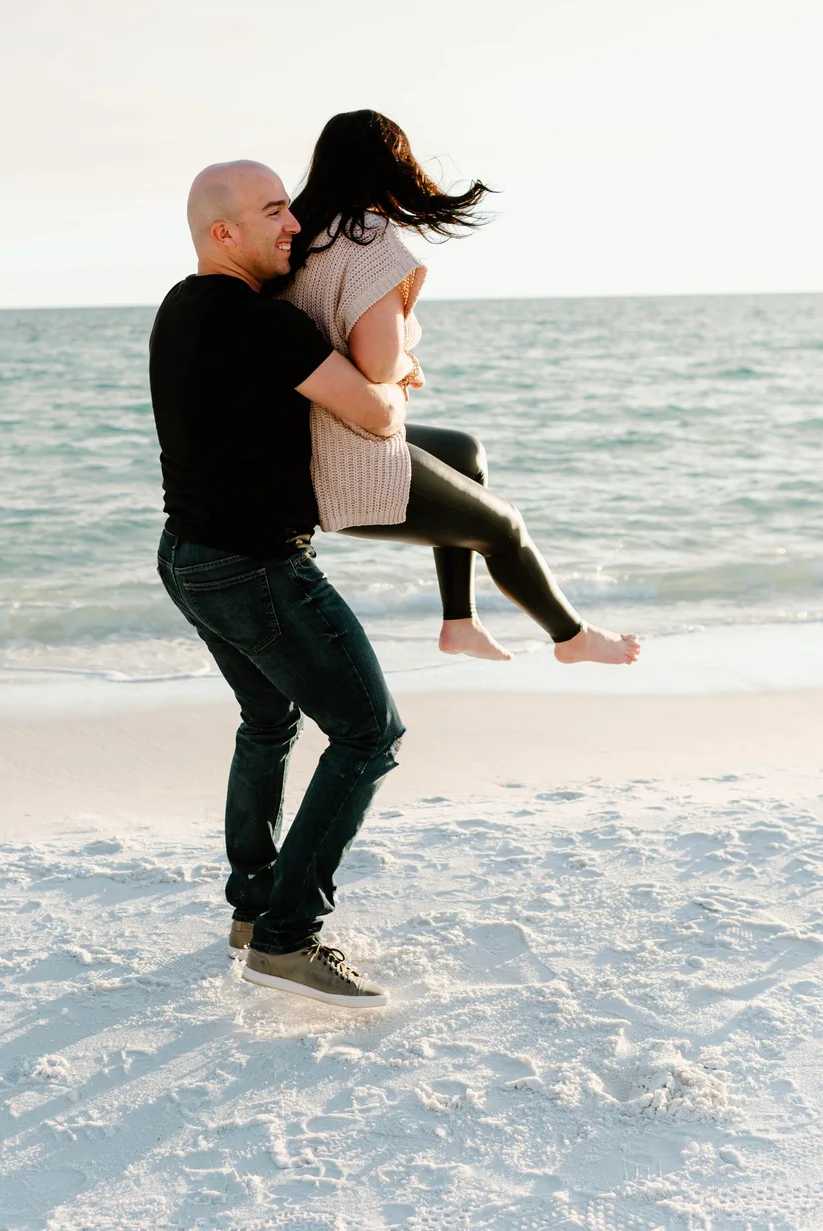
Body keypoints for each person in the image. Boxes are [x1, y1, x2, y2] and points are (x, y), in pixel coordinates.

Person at [150, 158, 410, 1008]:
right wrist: (398, 381)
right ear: (224, 233)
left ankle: (252, 907)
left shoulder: (179, 311)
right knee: (369, 735)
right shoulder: (262, 323)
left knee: (268, 719)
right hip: (253, 564)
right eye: (275, 214)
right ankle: (288, 938)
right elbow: (370, 413)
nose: (293, 225)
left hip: (186, 557)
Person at [278, 110, 641, 667]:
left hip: (302, 442)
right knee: (504, 525)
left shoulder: (301, 235)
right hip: (344, 458)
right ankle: (571, 637)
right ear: (392, 167)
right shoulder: (366, 235)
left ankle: (459, 621)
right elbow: (378, 364)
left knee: (465, 452)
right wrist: (408, 362)